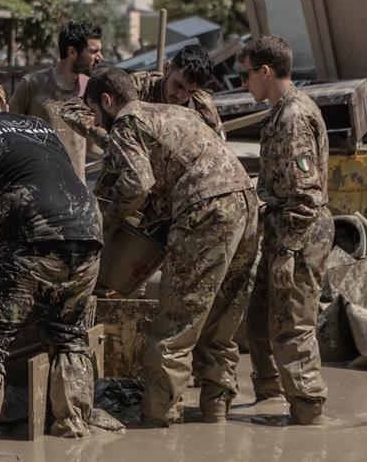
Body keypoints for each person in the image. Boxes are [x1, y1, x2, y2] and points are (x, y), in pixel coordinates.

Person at [0, 80, 103, 445]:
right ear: (5, 104)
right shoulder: (40, 127)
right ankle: (74, 426)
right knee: (70, 334)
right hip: (88, 236)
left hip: (32, 238)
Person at [85, 67, 258, 426]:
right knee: (219, 323)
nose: (98, 122)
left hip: (206, 209)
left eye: (95, 113)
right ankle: (216, 413)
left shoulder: (127, 123)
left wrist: (105, 223)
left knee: (174, 327)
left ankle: (158, 422)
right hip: (246, 202)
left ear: (105, 101)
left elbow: (137, 184)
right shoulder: (176, 111)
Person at [239, 36, 332, 426]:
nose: (244, 83)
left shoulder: (293, 116)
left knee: (292, 324)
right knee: (260, 317)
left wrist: (288, 252)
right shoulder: (279, 113)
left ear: (265, 71)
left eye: (246, 75)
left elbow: (306, 194)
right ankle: (270, 395)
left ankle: (308, 410)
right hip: (281, 231)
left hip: (300, 234)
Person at [8, 21, 103, 177]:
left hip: (76, 190)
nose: (100, 57)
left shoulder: (89, 90)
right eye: (93, 51)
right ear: (72, 52)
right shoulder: (32, 85)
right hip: (40, 186)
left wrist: (119, 158)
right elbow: (10, 135)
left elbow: (90, 145)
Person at [128, 44, 225, 139]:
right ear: (166, 69)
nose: (181, 96)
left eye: (191, 92)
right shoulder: (137, 87)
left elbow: (218, 145)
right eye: (179, 85)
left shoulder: (204, 107)